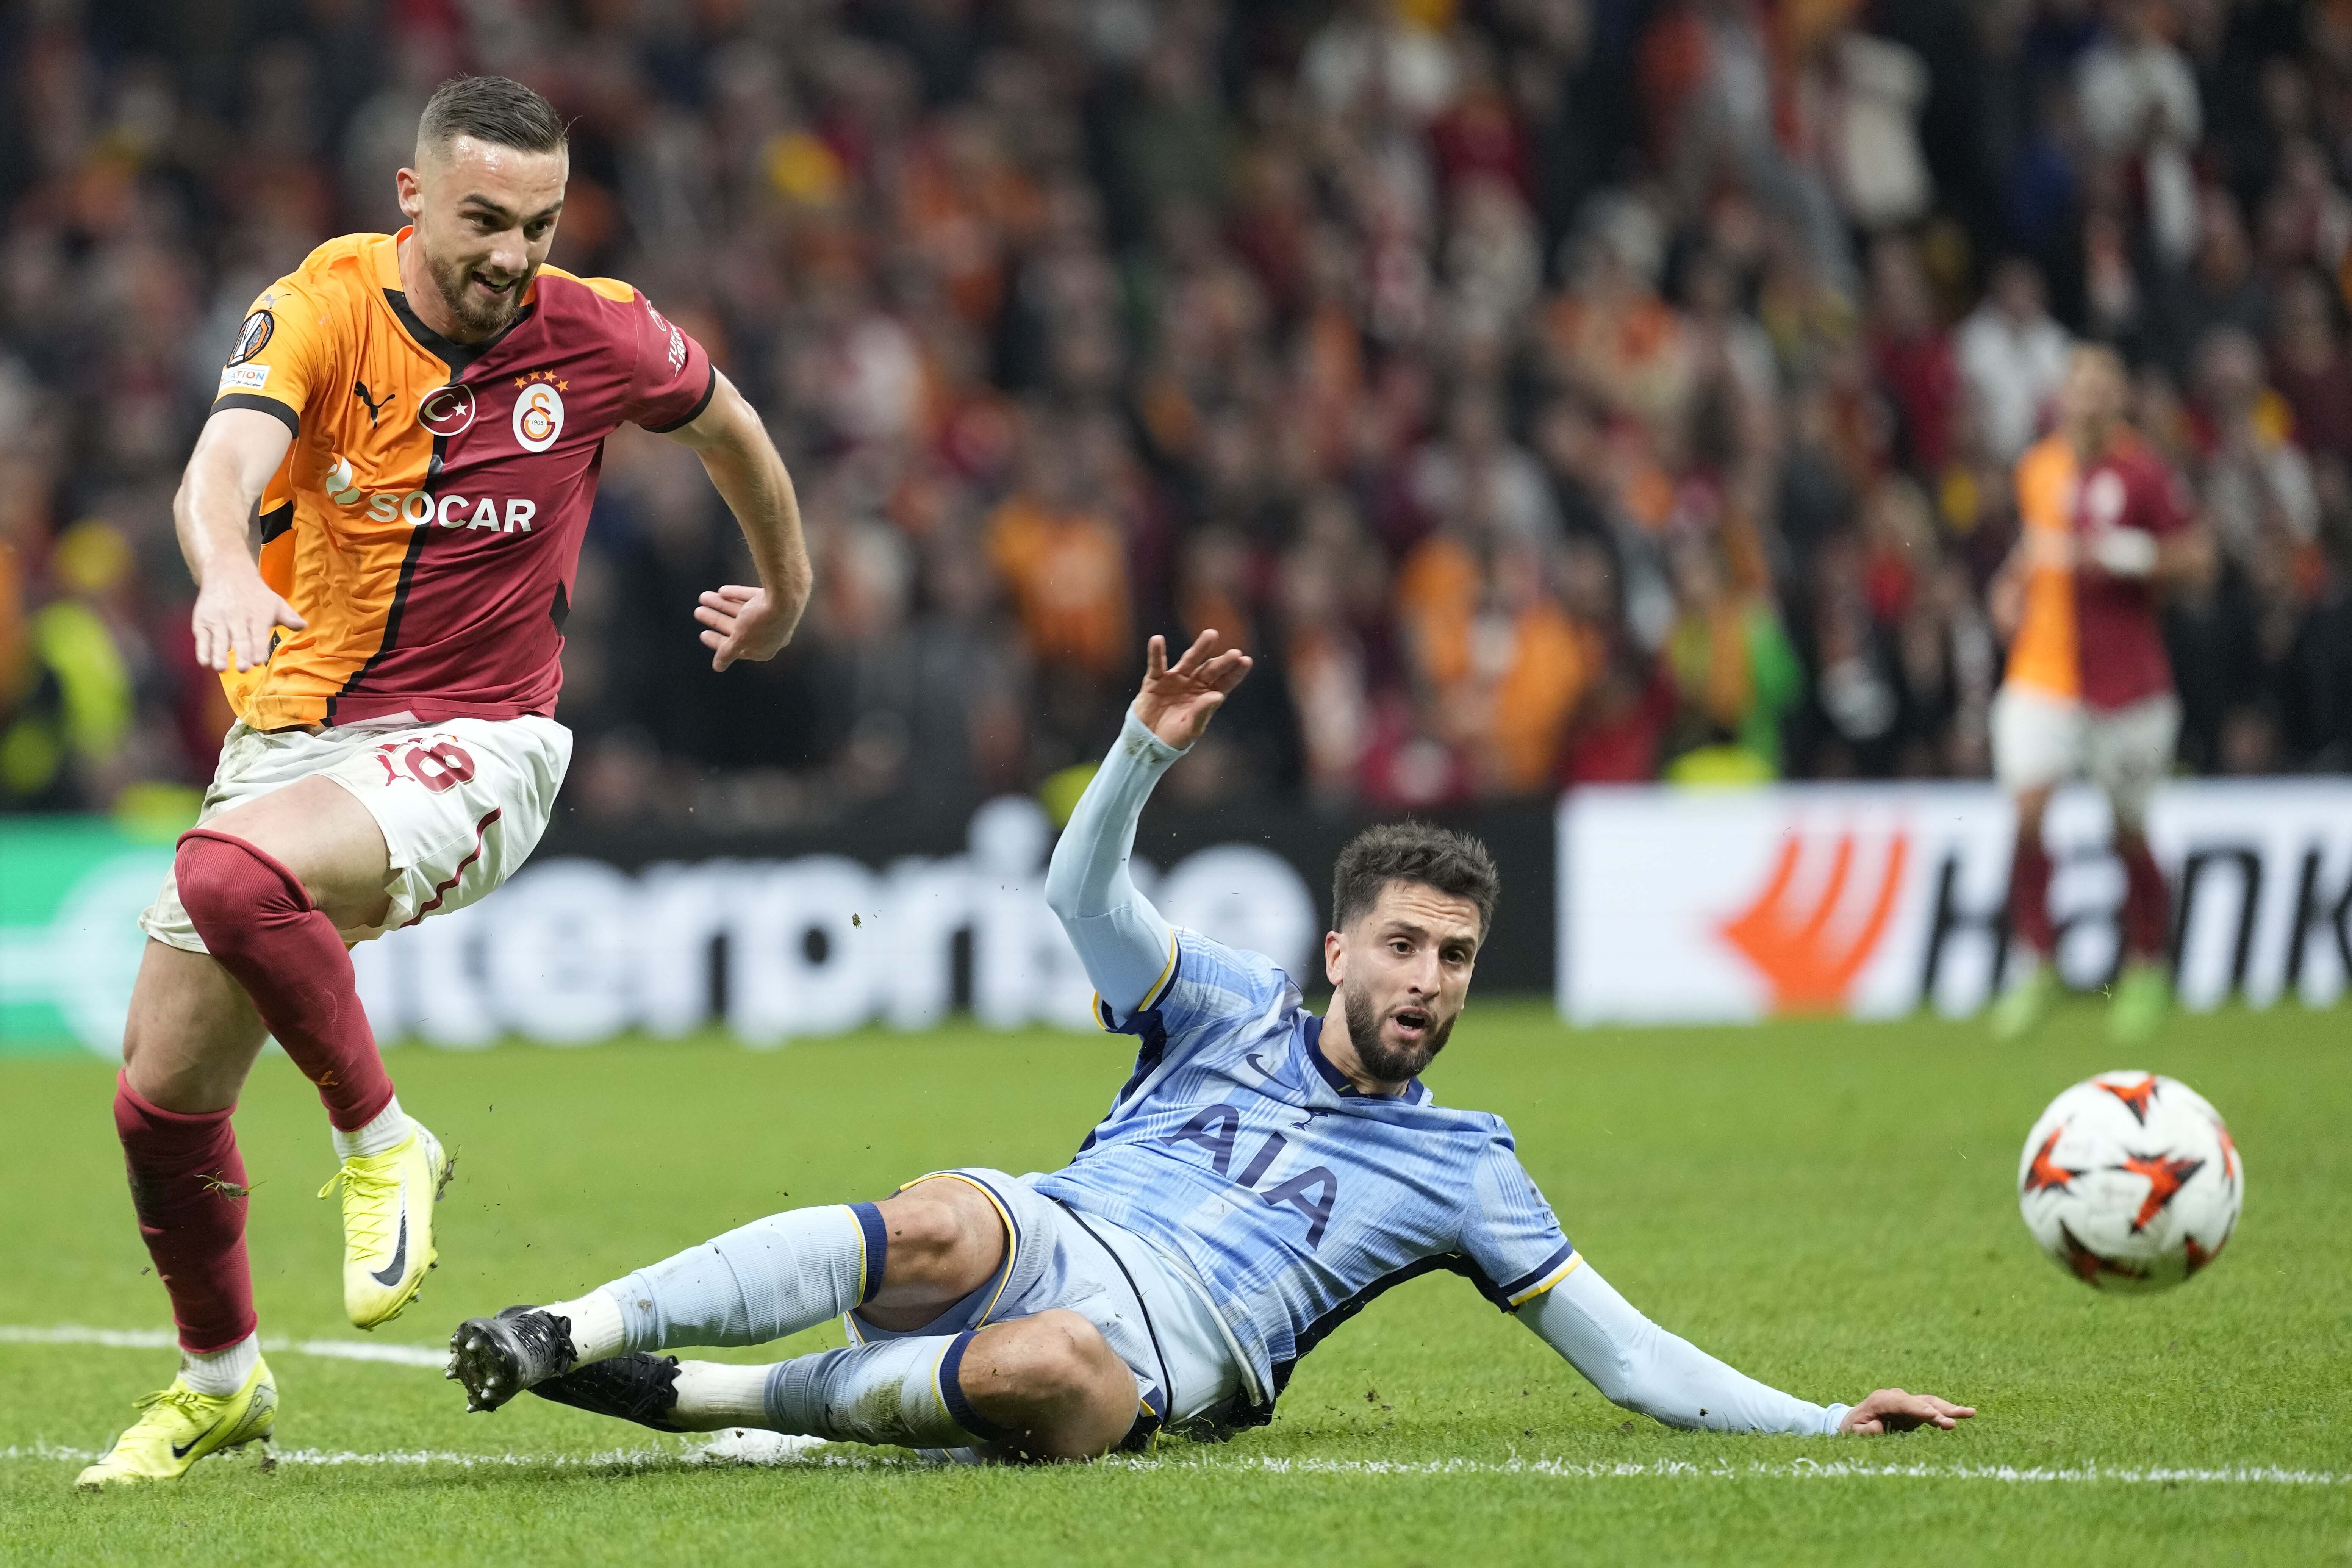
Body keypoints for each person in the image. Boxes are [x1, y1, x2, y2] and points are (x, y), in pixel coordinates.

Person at [441, 630, 1972, 1459]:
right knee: (938, 1212)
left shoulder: (1464, 1170)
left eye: (1453, 959)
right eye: (1402, 947)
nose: (1425, 980)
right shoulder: (1224, 1000)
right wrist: (1139, 755)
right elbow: (1074, 889)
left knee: (1056, 1369)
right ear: (1337, 951)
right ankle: (567, 1334)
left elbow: (1626, 1359)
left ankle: (712, 1401)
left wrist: (1826, 1419)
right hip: (1057, 1225)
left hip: (1157, 1362)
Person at [76, 76, 812, 1491]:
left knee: (224, 874)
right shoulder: (325, 304)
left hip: (484, 739)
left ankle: (382, 1140)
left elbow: (734, 427)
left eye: (537, 225)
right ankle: (221, 1384)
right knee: (159, 1105)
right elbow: (222, 460)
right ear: (413, 198)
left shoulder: (592, 330)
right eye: (483, 219)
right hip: (294, 737)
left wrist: (786, 591)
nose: (510, 255)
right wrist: (226, 565)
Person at [1988, 346, 2209, 1045]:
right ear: (2063, 397)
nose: (2086, 400)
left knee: (2128, 828)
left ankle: (2146, 968)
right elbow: (2038, 547)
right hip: (2043, 676)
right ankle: (2038, 962)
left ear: (2118, 401)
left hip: (2127, 682)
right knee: (2026, 814)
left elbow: (2197, 558)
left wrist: (2133, 555)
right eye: (2078, 387)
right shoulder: (2038, 468)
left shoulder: (2143, 471)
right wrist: (2011, 584)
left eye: (2100, 389)